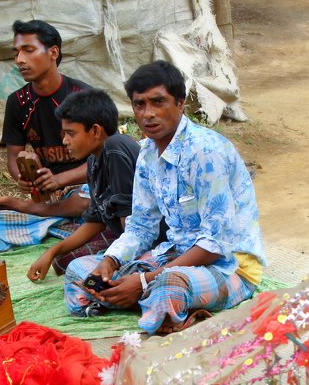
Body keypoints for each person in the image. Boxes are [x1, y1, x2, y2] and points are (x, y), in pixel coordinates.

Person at [64, 60, 266, 334]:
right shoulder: (147, 154)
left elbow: (214, 243)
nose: (148, 114)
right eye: (140, 105)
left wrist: (145, 281)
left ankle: (144, 299)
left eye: (158, 102)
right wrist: (109, 262)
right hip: (175, 257)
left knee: (169, 287)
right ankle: (145, 302)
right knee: (82, 273)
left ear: (180, 103)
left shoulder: (206, 152)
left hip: (230, 266)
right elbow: (140, 227)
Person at [27, 88, 144, 281]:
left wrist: (113, 260)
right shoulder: (93, 162)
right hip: (124, 236)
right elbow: (95, 221)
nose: (65, 141)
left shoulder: (116, 148)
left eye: (70, 133)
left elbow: (133, 230)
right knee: (62, 261)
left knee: (78, 270)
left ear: (96, 131)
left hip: (146, 240)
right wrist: (51, 252)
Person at [0, 19, 91, 219]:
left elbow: (107, 158)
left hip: (88, 184)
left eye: (28, 50)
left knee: (88, 201)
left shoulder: (82, 96)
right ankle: (41, 210)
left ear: (53, 52)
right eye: (17, 53)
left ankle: (28, 209)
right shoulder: (17, 102)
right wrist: (24, 178)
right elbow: (13, 158)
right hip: (48, 194)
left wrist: (59, 179)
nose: (20, 59)